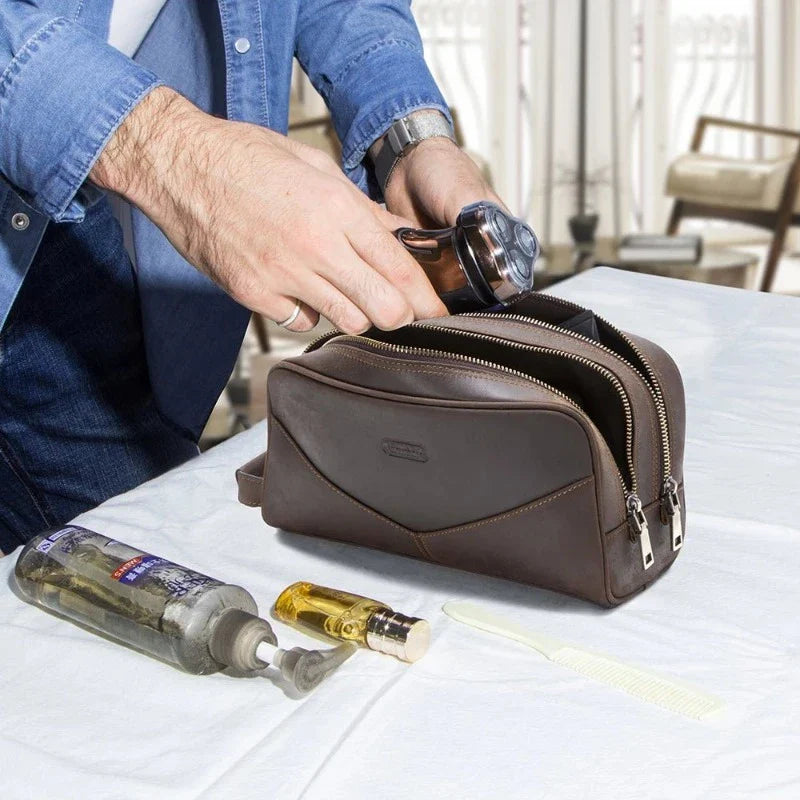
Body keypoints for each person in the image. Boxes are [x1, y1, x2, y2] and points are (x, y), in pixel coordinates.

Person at [0, 0, 502, 555]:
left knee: (158, 566)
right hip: (68, 151)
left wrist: (407, 134)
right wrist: (171, 153)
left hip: (53, 229)